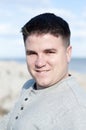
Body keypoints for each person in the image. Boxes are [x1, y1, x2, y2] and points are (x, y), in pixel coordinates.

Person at [0, 12, 86, 130]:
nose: (39, 63)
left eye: (49, 52)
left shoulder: (77, 111)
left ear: (68, 53)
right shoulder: (29, 85)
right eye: (32, 53)